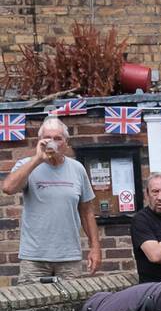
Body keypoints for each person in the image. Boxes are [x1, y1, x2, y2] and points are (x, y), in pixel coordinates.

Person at [1, 117, 101, 281]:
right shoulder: (26, 165)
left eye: (57, 138)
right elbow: (8, 188)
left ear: (66, 143)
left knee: (72, 304)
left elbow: (87, 212)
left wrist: (95, 247)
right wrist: (38, 159)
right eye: (47, 138)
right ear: (40, 141)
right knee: (32, 304)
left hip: (69, 257)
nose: (52, 142)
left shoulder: (77, 169)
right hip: (34, 258)